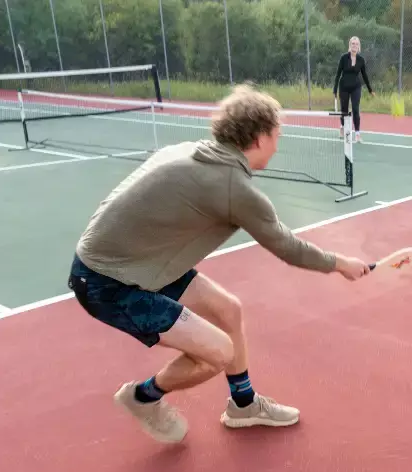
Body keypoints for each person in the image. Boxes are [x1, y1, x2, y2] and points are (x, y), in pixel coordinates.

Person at [67, 83, 372, 444]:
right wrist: (341, 263)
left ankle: (243, 405)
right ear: (258, 138)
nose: (278, 144)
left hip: (133, 263)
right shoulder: (234, 188)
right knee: (218, 352)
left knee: (228, 311)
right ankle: (142, 397)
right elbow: (287, 247)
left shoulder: (191, 151)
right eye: (277, 136)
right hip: (109, 282)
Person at [333, 36, 374, 143]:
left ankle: (357, 134)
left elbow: (365, 76)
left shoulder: (361, 60)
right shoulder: (343, 58)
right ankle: (342, 127)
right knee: (344, 110)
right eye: (352, 44)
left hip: (356, 87)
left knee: (355, 109)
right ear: (350, 45)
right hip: (344, 87)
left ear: (358, 46)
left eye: (356, 44)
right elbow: (338, 74)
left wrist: (370, 90)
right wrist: (335, 89)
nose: (354, 46)